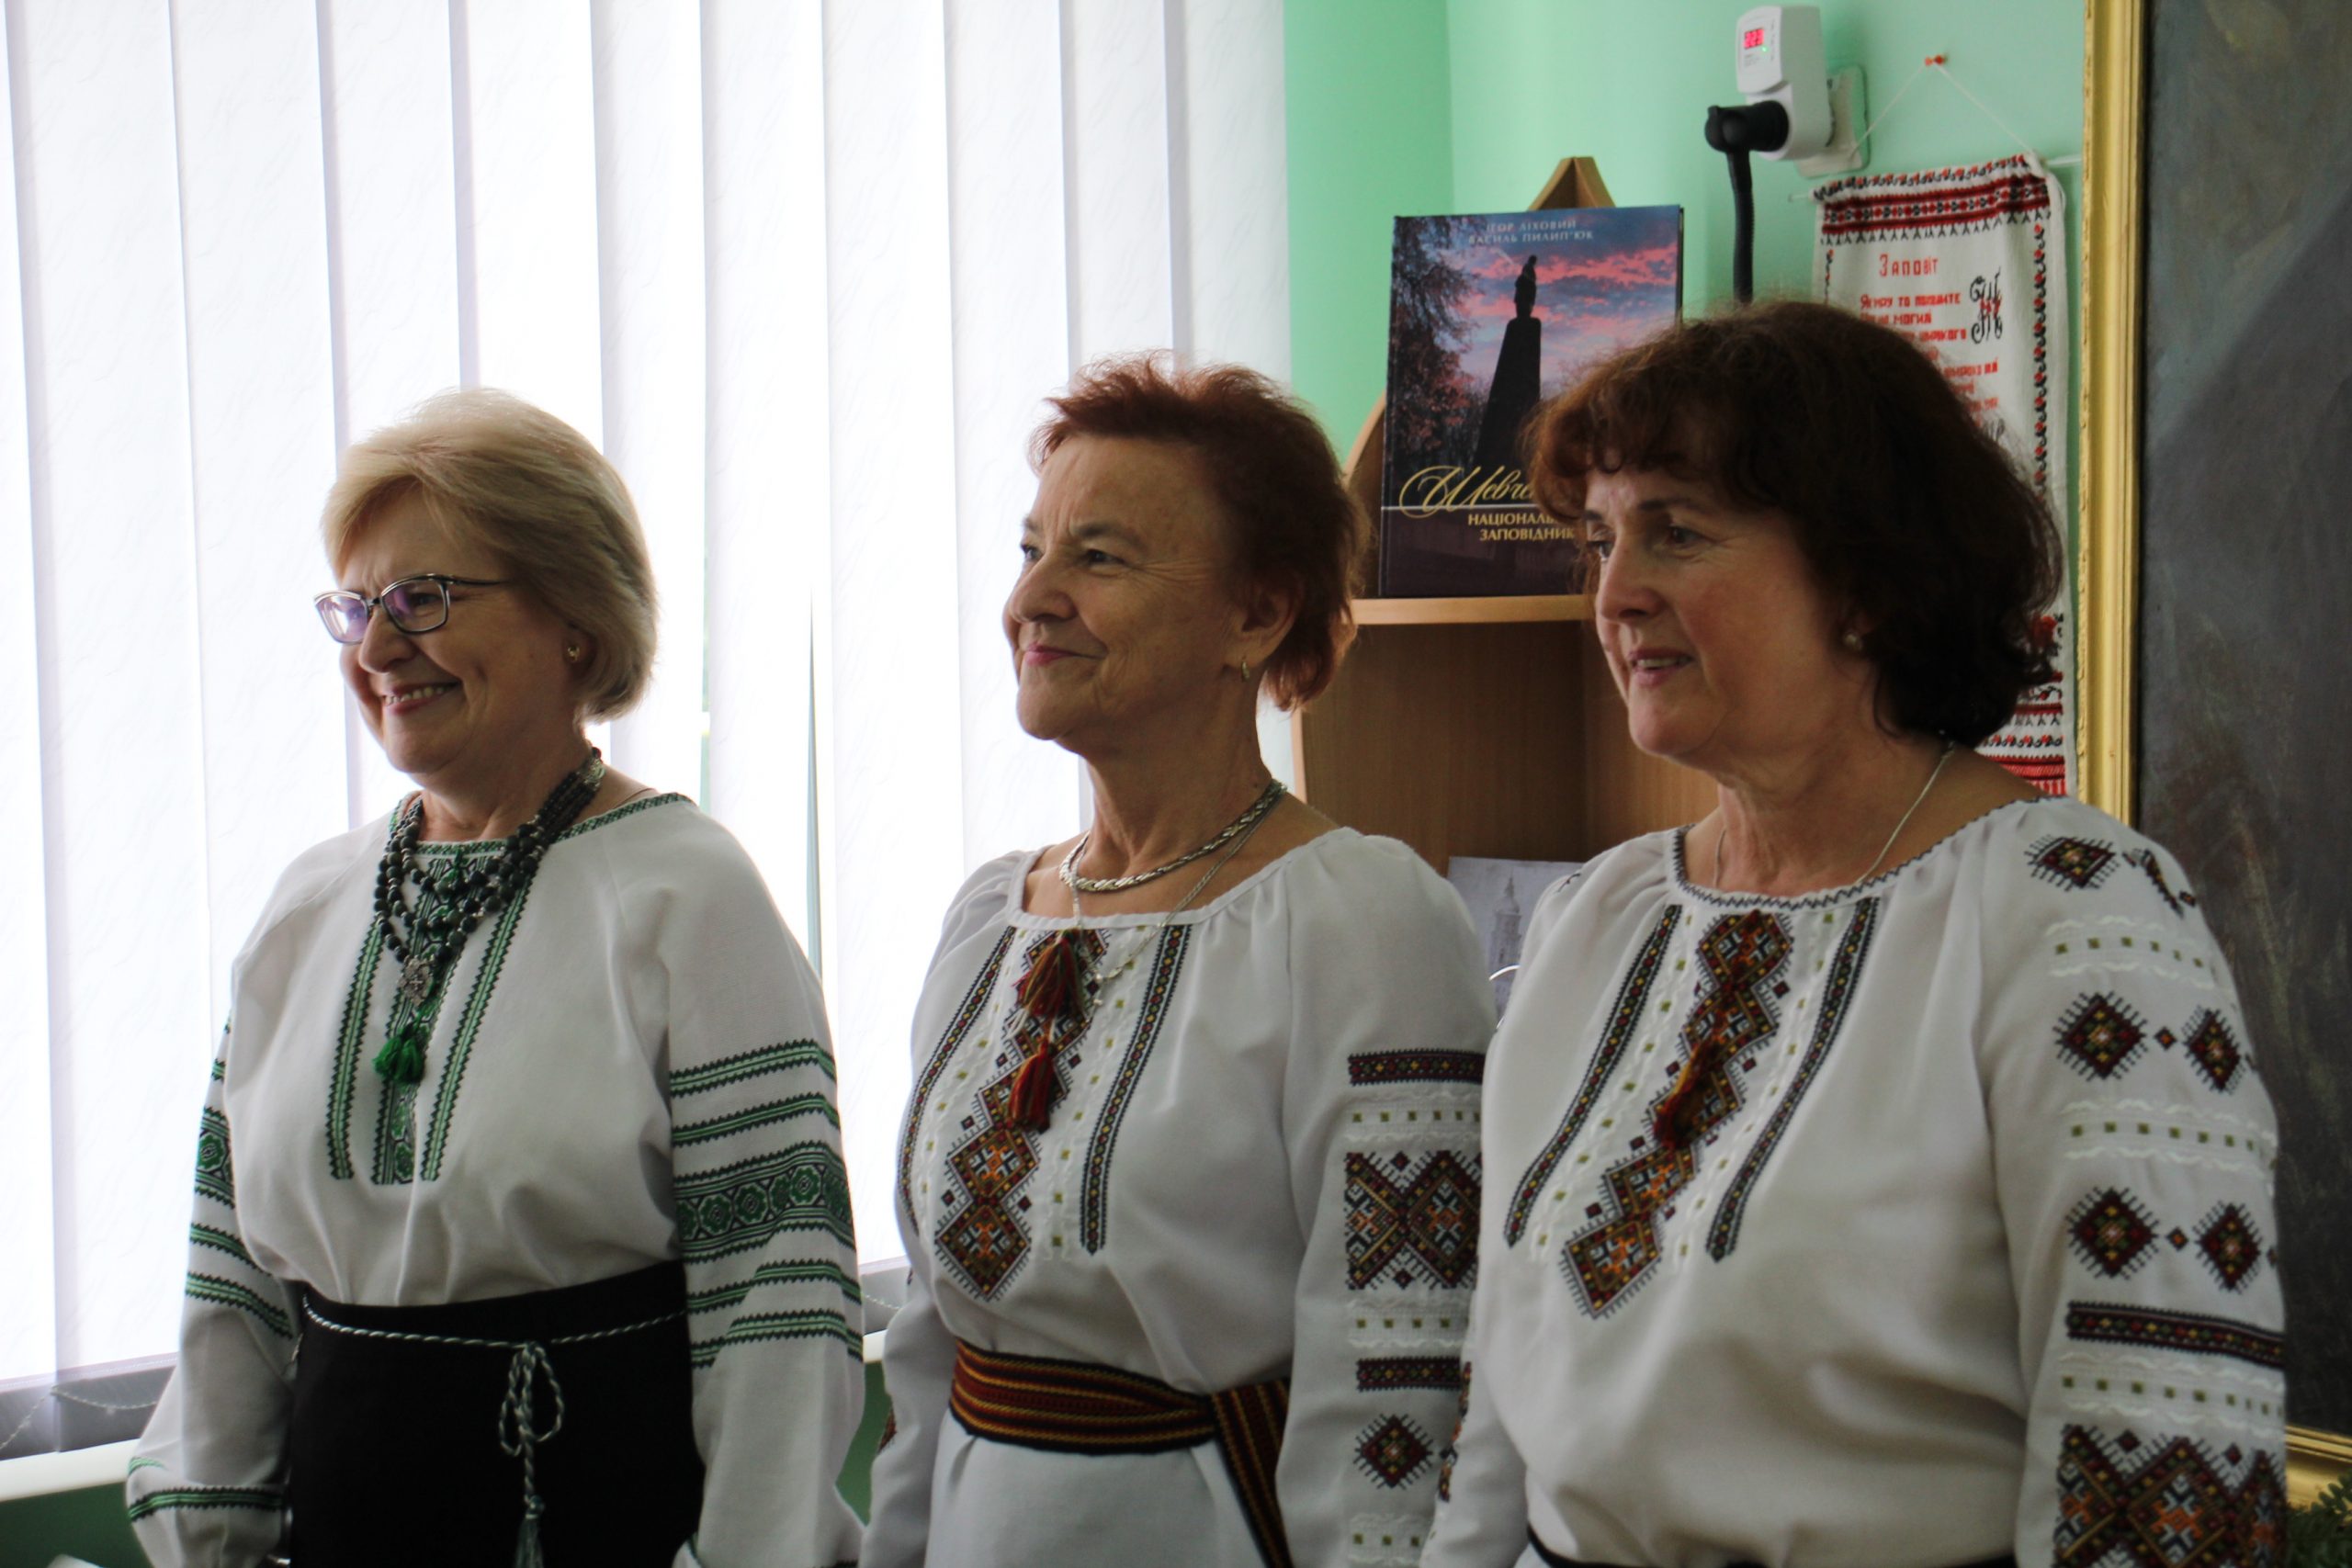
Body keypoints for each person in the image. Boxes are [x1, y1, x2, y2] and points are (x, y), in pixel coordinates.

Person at [1421, 302, 2286, 1568]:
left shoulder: (2072, 913)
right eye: (1601, 540)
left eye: (1676, 532)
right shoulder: (1593, 918)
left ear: (1868, 581)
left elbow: (2161, 1464)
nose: (1615, 593)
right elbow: (1502, 1390)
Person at [129, 390, 865, 1568]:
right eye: (357, 609)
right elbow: (234, 1292)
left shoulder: (686, 895)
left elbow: (774, 1304)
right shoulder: (307, 908)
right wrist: (208, 1542)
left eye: (422, 599)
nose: (376, 650)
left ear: (575, 615)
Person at [864, 355, 1497, 1568]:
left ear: (1256, 614)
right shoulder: (991, 920)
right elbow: (931, 1345)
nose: (1032, 598)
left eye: (1098, 558)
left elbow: (1399, 1361)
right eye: (1030, 548)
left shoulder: (1358, 921)